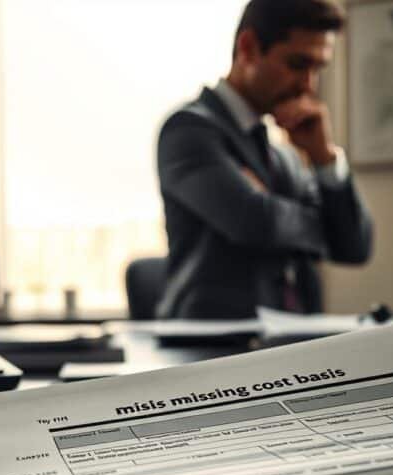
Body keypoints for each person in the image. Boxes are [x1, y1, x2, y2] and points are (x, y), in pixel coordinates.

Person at [156, 0, 373, 319]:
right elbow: (255, 221)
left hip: (293, 346)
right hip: (213, 350)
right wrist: (321, 224)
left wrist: (323, 157)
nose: (308, 84)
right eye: (298, 64)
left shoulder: (285, 154)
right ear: (248, 48)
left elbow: (354, 245)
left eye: (316, 69)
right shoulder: (188, 130)